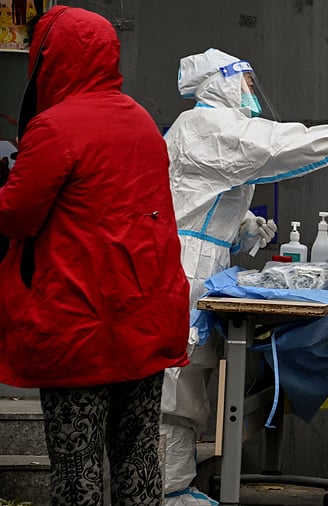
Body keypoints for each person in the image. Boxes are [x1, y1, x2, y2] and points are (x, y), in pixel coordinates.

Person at [162, 47, 328, 505]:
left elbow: (201, 193)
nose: (250, 89)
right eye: (243, 80)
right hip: (184, 264)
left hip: (202, 261)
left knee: (192, 377)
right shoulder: (206, 125)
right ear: (220, 81)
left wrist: (241, 226)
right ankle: (169, 489)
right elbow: (271, 145)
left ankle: (177, 484)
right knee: (178, 382)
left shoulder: (212, 127)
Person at [0, 6, 190, 504]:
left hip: (78, 325)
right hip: (144, 318)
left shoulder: (54, 128)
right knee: (137, 453)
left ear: (50, 58)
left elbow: (16, 216)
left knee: (76, 464)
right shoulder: (141, 121)